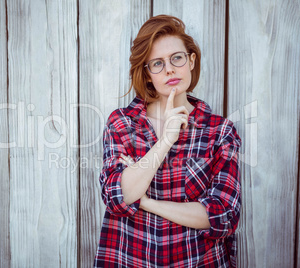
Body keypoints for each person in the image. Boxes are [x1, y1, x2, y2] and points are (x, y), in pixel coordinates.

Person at [94, 14, 241, 267]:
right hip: (130, 259)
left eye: (177, 58)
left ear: (191, 61)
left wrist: (148, 202)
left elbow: (222, 215)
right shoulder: (122, 123)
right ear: (147, 73)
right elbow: (117, 196)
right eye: (157, 63)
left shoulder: (220, 132)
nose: (170, 69)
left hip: (198, 261)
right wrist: (165, 141)